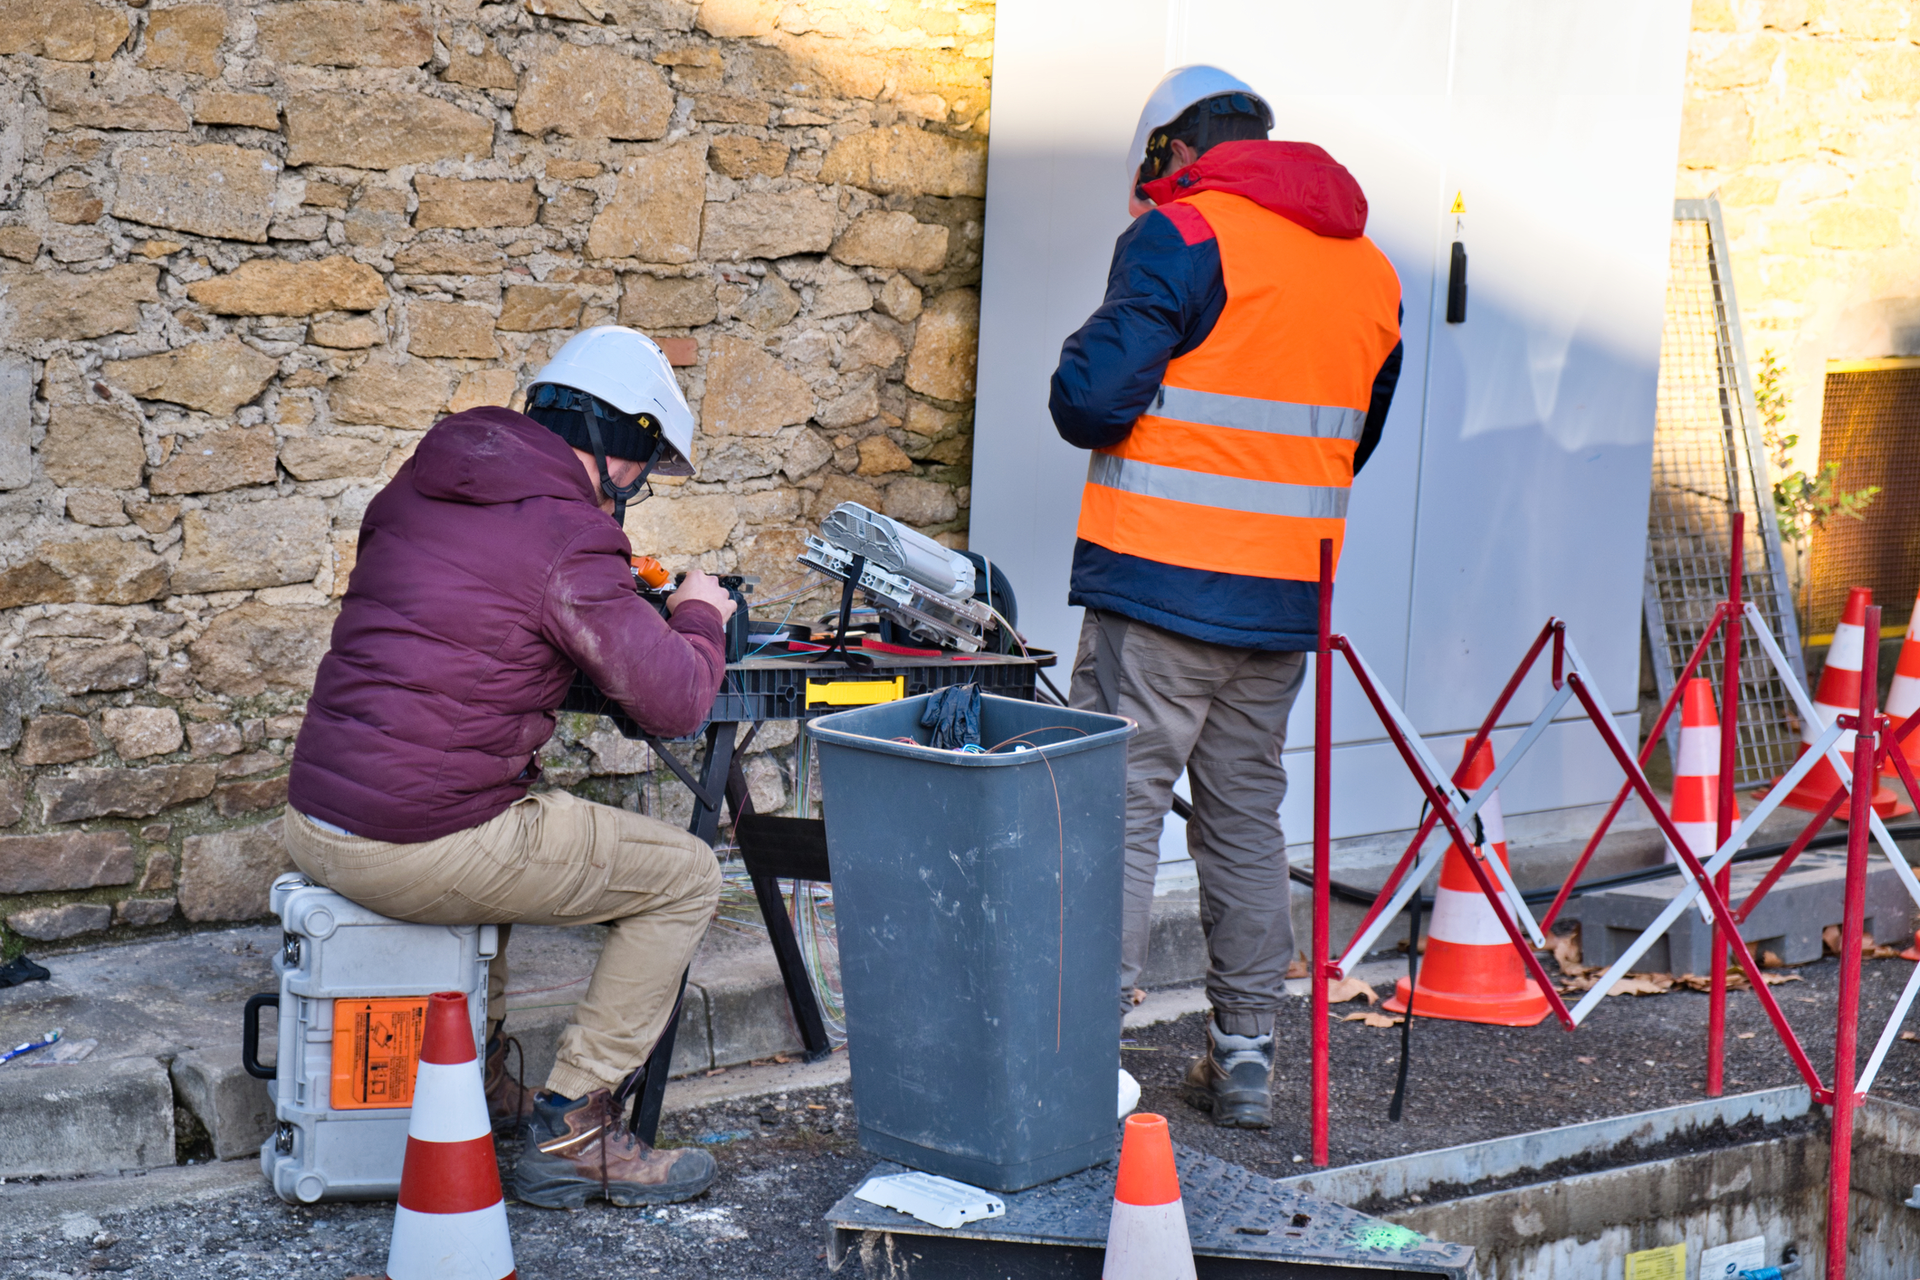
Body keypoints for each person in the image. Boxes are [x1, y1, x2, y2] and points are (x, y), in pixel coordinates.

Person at [285, 325, 738, 1206]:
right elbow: (678, 701)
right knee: (684, 876)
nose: (636, 484)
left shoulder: (419, 483)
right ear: (620, 440)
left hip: (318, 817)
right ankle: (576, 1130)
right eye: (644, 463)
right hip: (412, 842)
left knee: (519, 811)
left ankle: (483, 1086)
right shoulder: (571, 534)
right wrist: (698, 613)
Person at [1049, 67, 1404, 1128]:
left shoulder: (1185, 234)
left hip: (1159, 584)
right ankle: (1246, 1054)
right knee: (1245, 816)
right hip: (1283, 596)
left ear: (1173, 147)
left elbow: (1089, 400)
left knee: (1115, 809)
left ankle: (1078, 1056)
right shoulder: (1369, 268)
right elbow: (1351, 441)